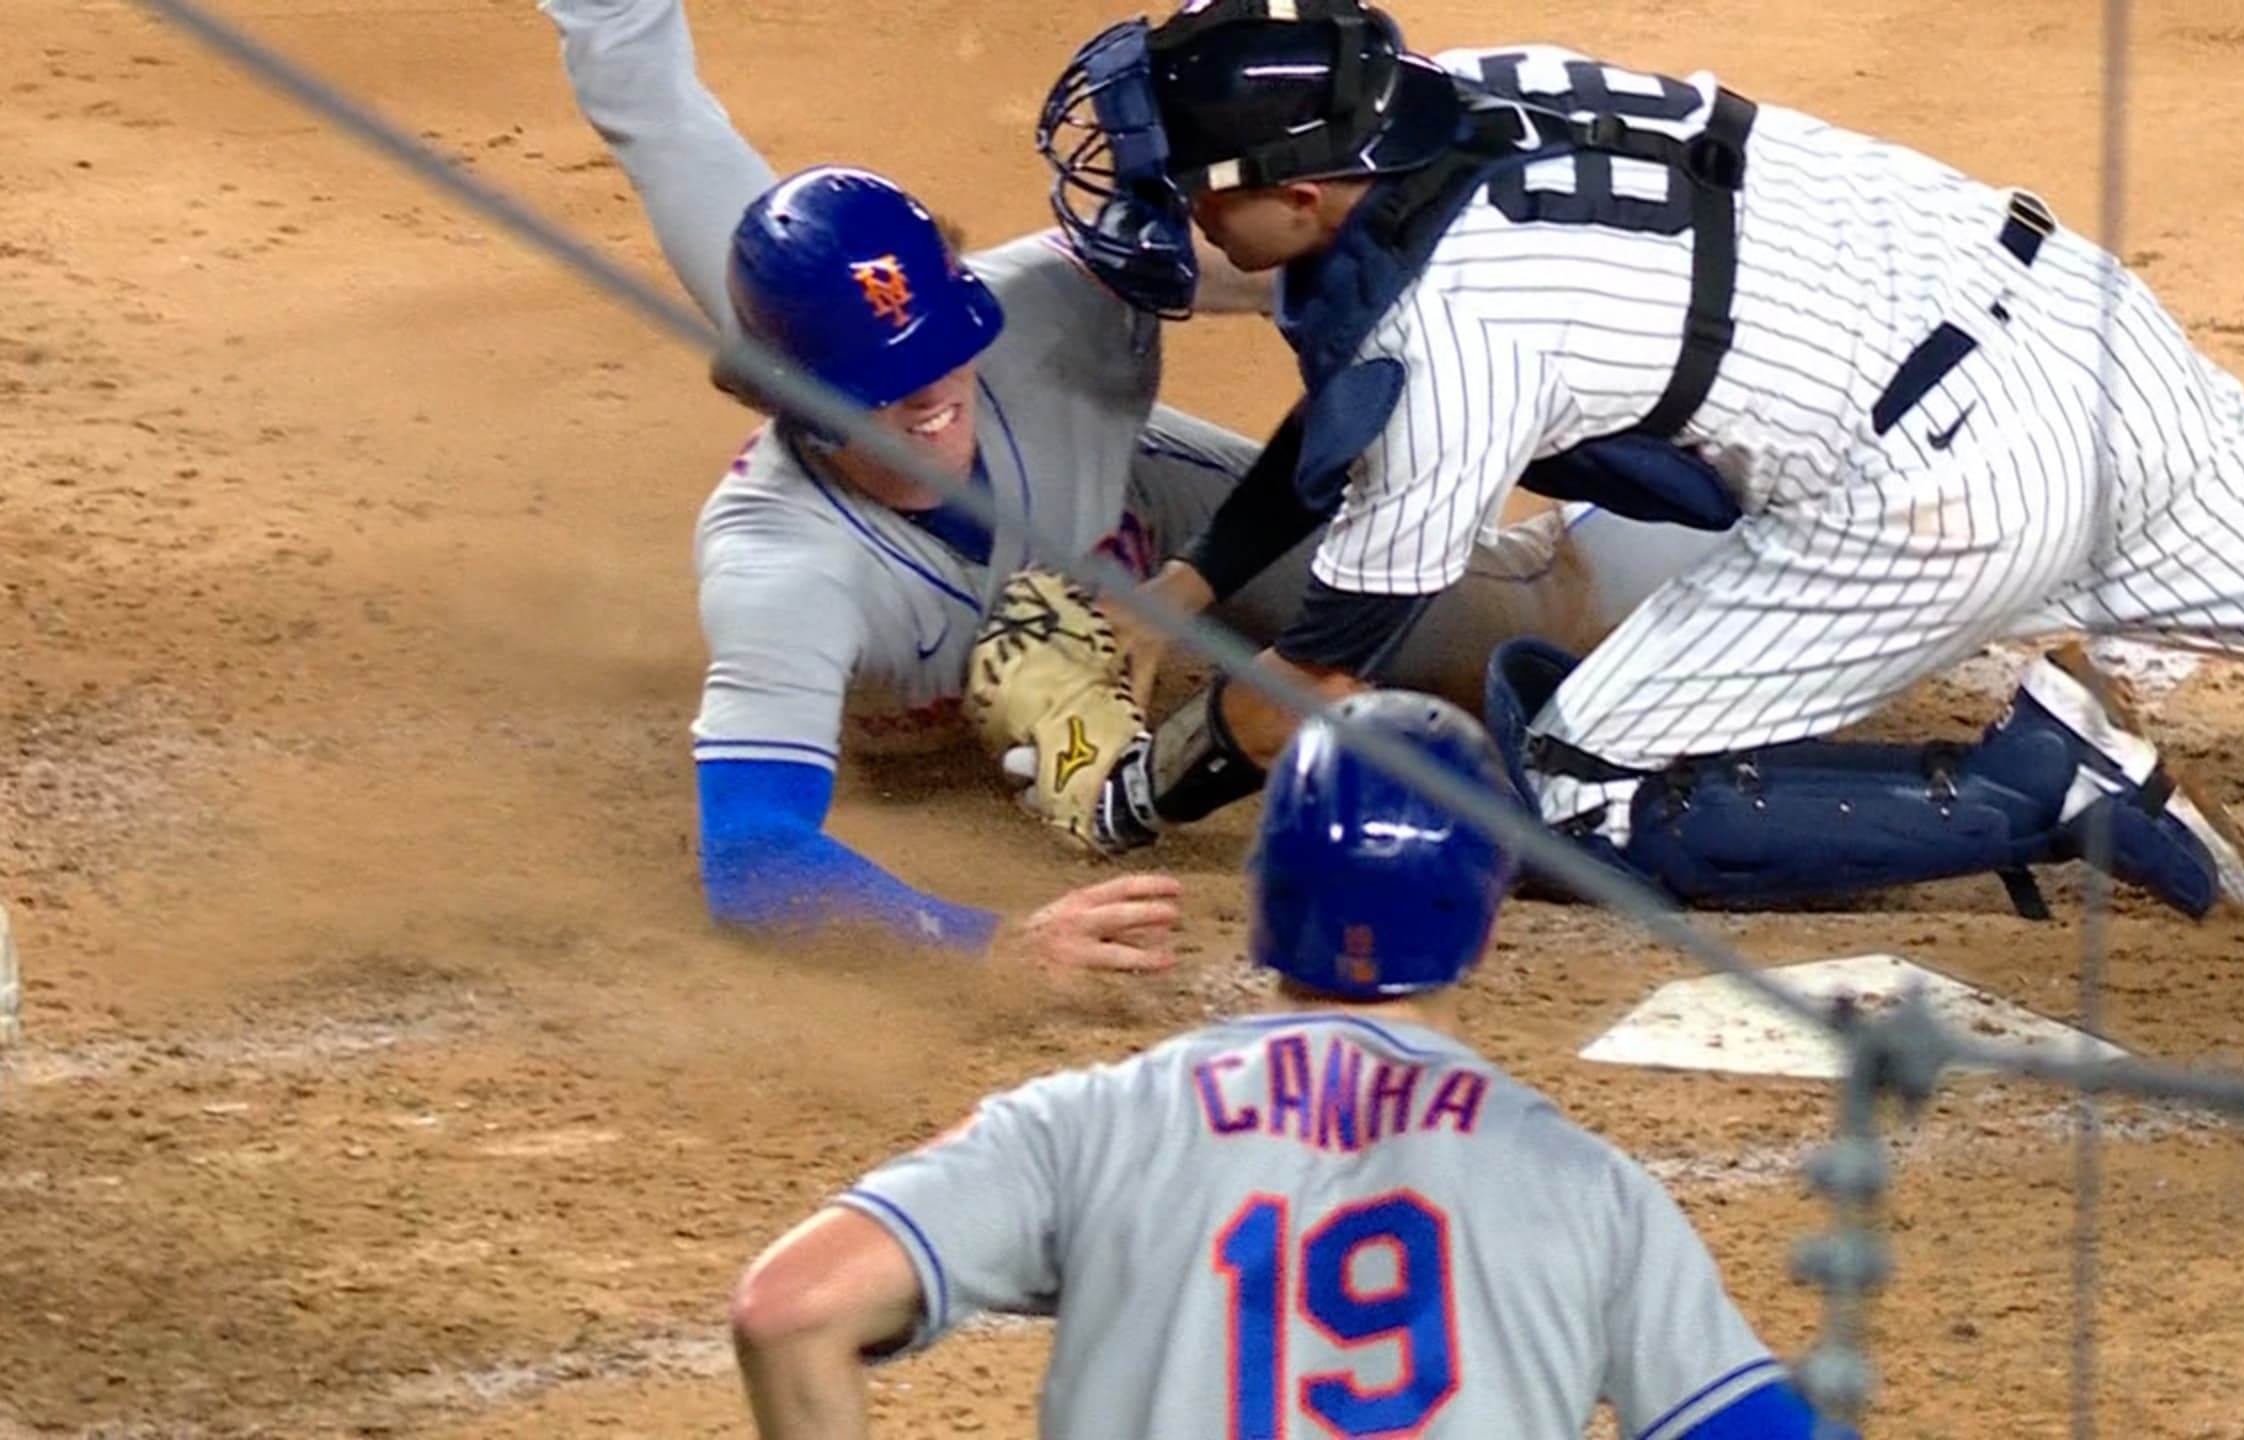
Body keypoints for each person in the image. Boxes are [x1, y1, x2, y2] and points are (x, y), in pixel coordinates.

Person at [1016, 0, 2244, 920]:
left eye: (1193, 188)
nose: (1172, 221)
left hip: (1943, 499)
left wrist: (1126, 801)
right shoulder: (1463, 89)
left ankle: (2046, 784)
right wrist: (1195, 582)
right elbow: (1365, 397)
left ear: (1304, 188)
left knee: (1569, 790)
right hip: (2090, 341)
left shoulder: (1464, 338)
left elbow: (1316, 692)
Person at [537, 0, 1730, 964]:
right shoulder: (781, 569)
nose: (932, 397)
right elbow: (751, 860)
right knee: (714, 196)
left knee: (1526, 621)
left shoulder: (1048, 307)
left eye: (943, 353)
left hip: (1141, 509)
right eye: (883, 391)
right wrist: (984, 947)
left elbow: (1315, 238)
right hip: (927, 503)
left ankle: (1787, 518)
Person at [727, 690, 1838, 1438]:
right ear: (1485, 922)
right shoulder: (1586, 1194)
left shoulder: (1084, 1126)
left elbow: (790, 1308)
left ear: (1266, 905)